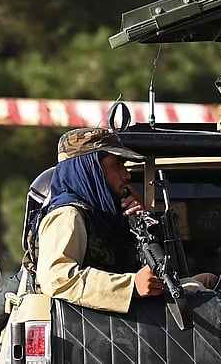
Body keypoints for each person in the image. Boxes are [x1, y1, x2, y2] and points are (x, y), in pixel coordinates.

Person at [31, 127, 164, 312]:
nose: (126, 175)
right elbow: (57, 279)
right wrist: (130, 286)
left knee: (205, 281)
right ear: (89, 169)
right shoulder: (67, 215)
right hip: (79, 334)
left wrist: (139, 222)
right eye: (117, 165)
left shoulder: (104, 216)